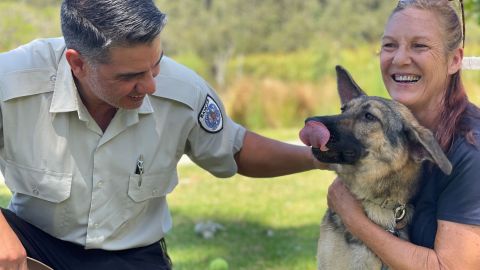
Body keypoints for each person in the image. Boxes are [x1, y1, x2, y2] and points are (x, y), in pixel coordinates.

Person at [0, 1, 324, 269]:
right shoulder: (10, 82)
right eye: (130, 76)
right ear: (78, 63)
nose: (151, 85)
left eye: (155, 64)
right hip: (34, 246)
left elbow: (234, 148)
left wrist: (317, 158)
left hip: (131, 256)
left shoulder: (183, 90)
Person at [326, 0, 480, 269]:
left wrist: (354, 218)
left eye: (419, 46)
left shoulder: (472, 152)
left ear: (455, 59)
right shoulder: (392, 132)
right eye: (389, 45)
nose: (399, 59)